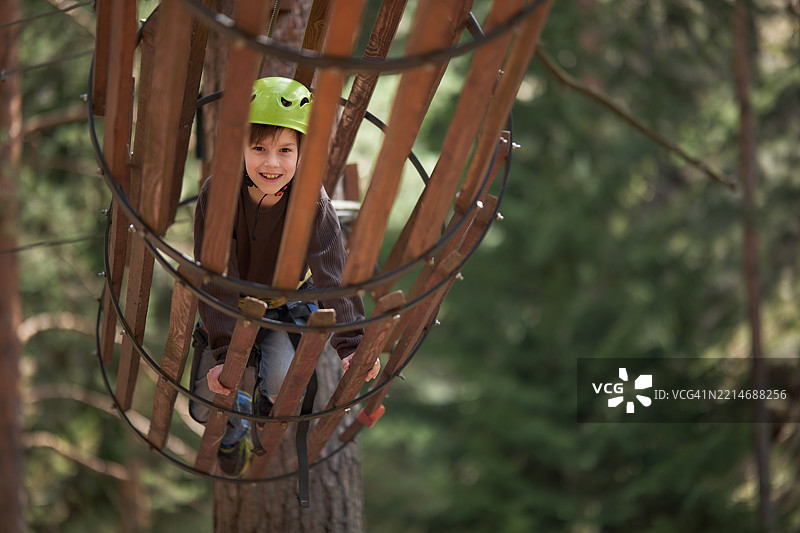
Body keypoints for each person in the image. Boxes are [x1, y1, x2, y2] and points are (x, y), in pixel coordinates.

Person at [190, 77, 380, 476]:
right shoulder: (218, 194)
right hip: (230, 306)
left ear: (301, 152)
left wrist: (351, 344)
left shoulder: (312, 202)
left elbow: (332, 273)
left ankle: (262, 397)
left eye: (285, 150)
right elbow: (216, 274)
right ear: (240, 148)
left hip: (281, 306)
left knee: (280, 387)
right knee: (208, 402)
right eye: (258, 148)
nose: (271, 163)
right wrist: (224, 352)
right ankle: (235, 421)